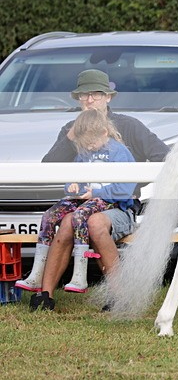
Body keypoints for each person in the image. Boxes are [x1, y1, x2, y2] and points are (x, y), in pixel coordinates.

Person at [28, 69, 169, 311]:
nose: (89, 100)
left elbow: (164, 157)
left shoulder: (129, 126)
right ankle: (45, 295)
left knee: (95, 224)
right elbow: (48, 167)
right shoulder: (71, 130)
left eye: (95, 94)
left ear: (108, 97)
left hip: (119, 205)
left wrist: (131, 183)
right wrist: (71, 137)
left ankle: (119, 297)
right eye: (83, 96)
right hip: (82, 203)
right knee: (67, 223)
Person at [17, 110, 136, 295]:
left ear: (105, 132)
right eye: (85, 143)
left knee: (86, 220)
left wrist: (95, 193)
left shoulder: (119, 152)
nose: (89, 147)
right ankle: (39, 282)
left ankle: (104, 287)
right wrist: (72, 186)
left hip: (112, 204)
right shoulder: (84, 153)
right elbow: (76, 179)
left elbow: (125, 189)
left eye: (92, 142)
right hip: (85, 202)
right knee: (53, 216)